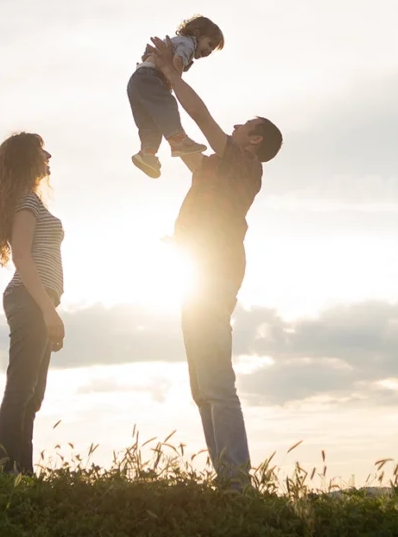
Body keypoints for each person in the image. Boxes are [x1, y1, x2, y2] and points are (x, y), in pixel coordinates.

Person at [146, 35, 283, 489]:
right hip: (197, 274)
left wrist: (172, 75)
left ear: (254, 140)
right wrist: (158, 99)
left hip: (215, 276)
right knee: (201, 386)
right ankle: (226, 480)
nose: (236, 126)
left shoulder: (245, 167)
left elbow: (202, 119)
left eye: (244, 125)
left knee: (218, 385)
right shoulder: (221, 167)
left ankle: (238, 485)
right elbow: (191, 155)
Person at [0, 132, 66, 475]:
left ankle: (23, 477)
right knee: (21, 389)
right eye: (41, 151)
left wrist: (49, 309)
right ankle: (7, 474)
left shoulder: (30, 200)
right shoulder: (27, 202)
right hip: (31, 298)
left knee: (32, 395)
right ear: (26, 159)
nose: (48, 155)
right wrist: (47, 311)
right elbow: (22, 257)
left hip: (38, 299)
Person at [128, 14, 226, 179]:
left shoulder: (180, 41)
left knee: (150, 123)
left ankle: (147, 154)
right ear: (197, 34)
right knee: (167, 106)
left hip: (137, 81)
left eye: (212, 49)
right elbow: (178, 60)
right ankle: (178, 140)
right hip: (150, 77)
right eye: (209, 44)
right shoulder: (187, 43)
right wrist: (176, 81)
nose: (209, 51)